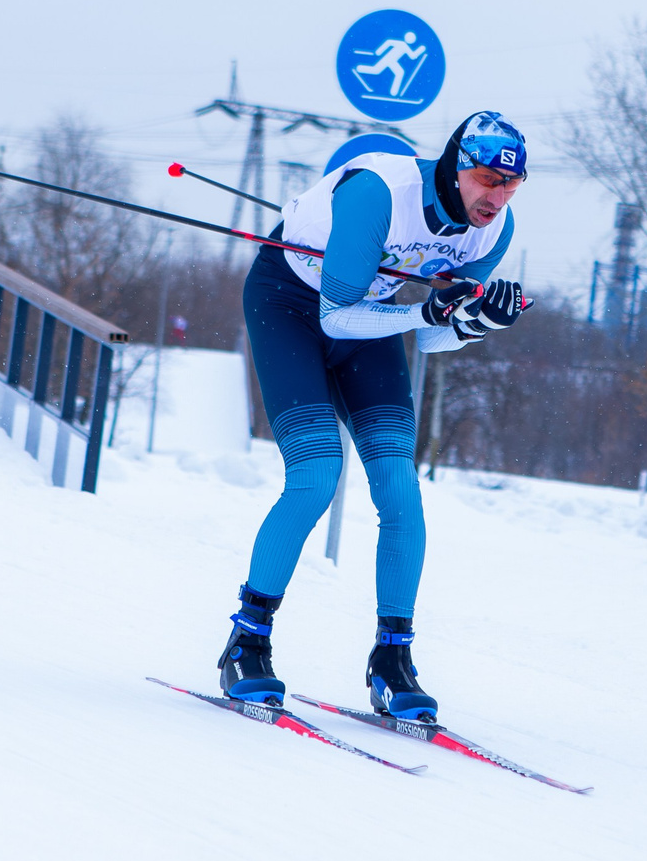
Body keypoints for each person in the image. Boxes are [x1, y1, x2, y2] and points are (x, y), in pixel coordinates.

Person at [218, 111, 531, 721]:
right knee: (316, 476)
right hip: (292, 304)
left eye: (512, 185)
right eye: (489, 179)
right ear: (456, 167)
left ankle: (393, 660)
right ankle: (247, 641)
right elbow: (336, 319)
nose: (498, 196)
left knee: (399, 486)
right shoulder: (378, 194)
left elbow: (439, 339)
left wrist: (476, 321)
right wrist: (432, 315)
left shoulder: (493, 230)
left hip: (374, 313)